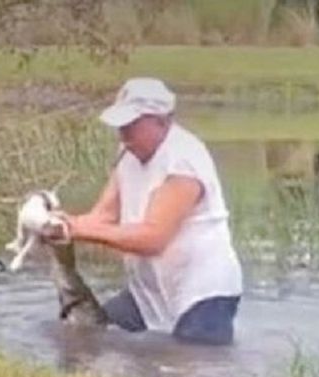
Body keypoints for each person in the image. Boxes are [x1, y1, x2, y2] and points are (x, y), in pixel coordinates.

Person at [59, 77, 243, 345]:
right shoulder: (127, 152)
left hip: (203, 293)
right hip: (149, 292)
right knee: (92, 335)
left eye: (132, 124)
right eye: (121, 125)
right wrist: (59, 224)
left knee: (197, 368)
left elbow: (152, 239)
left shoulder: (183, 160)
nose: (123, 133)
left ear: (162, 121)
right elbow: (103, 217)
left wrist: (77, 229)